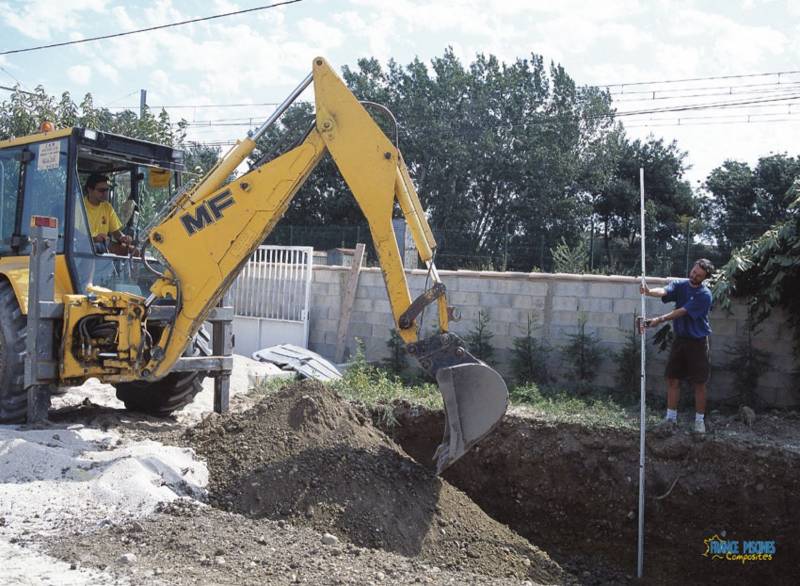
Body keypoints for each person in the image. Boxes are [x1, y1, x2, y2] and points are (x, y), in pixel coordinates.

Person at [640, 258, 715, 435]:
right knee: (673, 379)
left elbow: (682, 312)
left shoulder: (705, 295)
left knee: (699, 383)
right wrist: (649, 291)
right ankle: (671, 419)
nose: (693, 275)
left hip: (697, 342)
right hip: (680, 340)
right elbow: (665, 290)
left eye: (698, 275)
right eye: (693, 271)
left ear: (704, 278)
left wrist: (659, 320)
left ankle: (699, 422)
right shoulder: (681, 285)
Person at [83, 174, 134, 255]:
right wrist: (95, 239)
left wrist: (123, 237)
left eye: (107, 190)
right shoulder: (80, 206)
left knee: (135, 252)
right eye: (101, 190)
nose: (106, 193)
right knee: (95, 249)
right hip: (85, 246)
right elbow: (75, 238)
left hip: (104, 245)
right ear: (90, 190)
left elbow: (116, 232)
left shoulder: (107, 207)